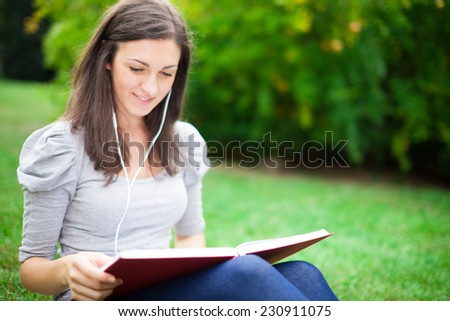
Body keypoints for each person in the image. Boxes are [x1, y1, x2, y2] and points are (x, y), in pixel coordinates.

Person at [17, 0, 338, 301]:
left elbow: (189, 238)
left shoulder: (184, 140)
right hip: (98, 301)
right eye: (137, 68)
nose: (151, 88)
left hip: (166, 291)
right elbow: (32, 268)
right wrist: (67, 269)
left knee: (303, 274)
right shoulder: (60, 146)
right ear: (107, 61)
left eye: (166, 73)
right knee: (247, 272)